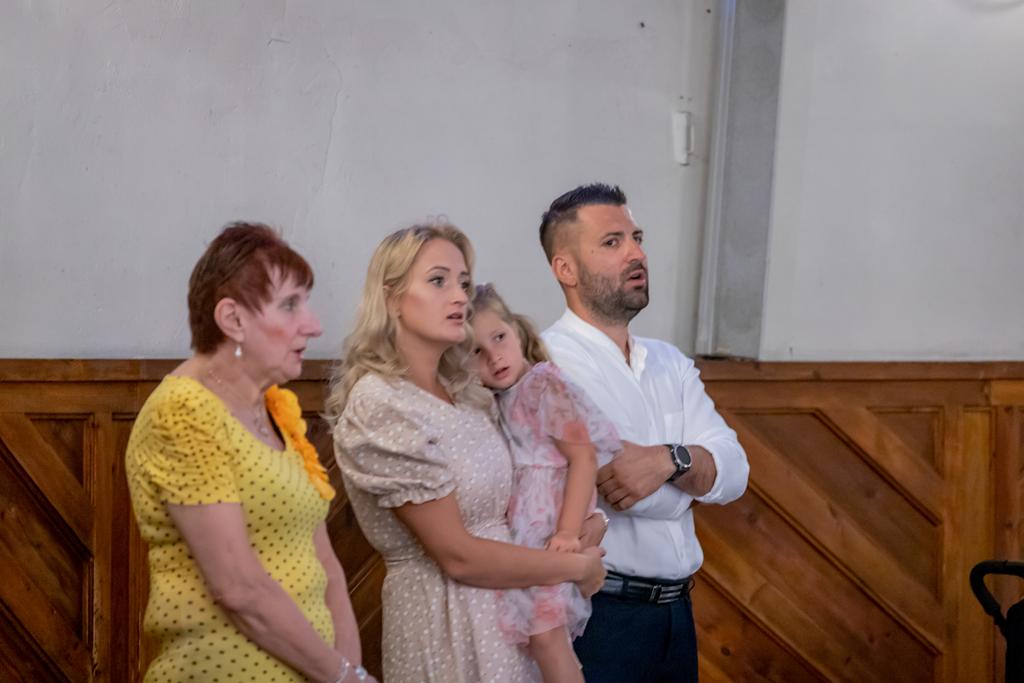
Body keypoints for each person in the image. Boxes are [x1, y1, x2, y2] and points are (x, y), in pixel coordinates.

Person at [328, 223, 608, 683]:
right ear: (392, 297)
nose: (459, 295)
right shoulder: (381, 402)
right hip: (447, 621)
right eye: (438, 281)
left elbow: (543, 478)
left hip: (512, 618)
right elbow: (457, 555)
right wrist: (575, 565)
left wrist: (589, 525)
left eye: (462, 282)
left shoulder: (468, 392)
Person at [125, 223, 373, 683]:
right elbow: (238, 587)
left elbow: (327, 567)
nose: (314, 325)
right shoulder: (182, 412)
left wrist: (349, 670)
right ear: (232, 319)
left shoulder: (275, 408)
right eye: (290, 305)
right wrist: (342, 677)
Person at [538, 184, 750, 683]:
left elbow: (736, 471)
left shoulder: (669, 361)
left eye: (637, 238)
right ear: (566, 269)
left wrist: (669, 460)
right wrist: (691, 479)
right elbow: (620, 486)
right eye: (612, 242)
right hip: (598, 615)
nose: (636, 253)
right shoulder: (549, 362)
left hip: (676, 613)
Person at [470, 283, 621, 683]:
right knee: (537, 637)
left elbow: (583, 458)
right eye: (475, 352)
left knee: (546, 634)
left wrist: (568, 532)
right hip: (523, 537)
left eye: (499, 338)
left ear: (517, 331)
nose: (494, 356)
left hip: (552, 528)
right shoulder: (495, 400)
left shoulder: (542, 385)